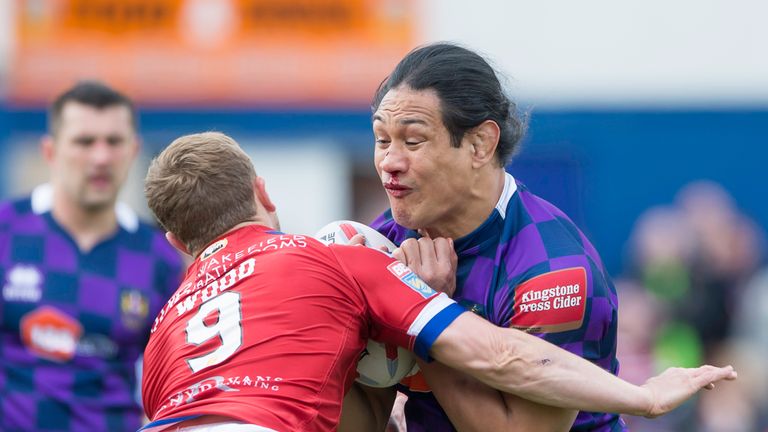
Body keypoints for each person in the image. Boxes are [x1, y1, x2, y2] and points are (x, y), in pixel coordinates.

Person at [139, 131, 735, 432]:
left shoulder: (162, 334)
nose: (390, 161)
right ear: (263, 193)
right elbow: (505, 357)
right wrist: (645, 396)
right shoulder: (335, 259)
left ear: (175, 245)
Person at [365, 42, 630, 431]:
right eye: (382, 140)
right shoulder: (383, 239)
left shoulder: (553, 273)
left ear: (480, 144)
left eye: (413, 141)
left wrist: (425, 311)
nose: (389, 162)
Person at [0, 81, 184, 431]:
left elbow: (172, 386)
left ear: (134, 150)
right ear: (50, 151)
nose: (100, 157)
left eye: (114, 142)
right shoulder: (6, 231)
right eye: (85, 142)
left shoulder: (160, 257)